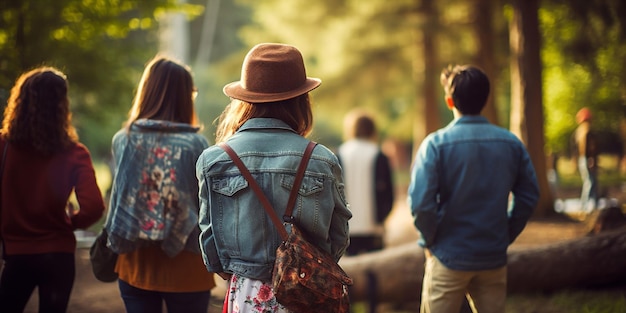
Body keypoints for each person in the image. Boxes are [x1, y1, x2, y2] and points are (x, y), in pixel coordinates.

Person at [196, 43, 352, 313]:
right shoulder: (321, 159)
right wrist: (311, 265)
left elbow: (208, 233)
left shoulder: (215, 159)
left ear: (245, 101)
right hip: (307, 290)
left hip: (247, 293)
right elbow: (338, 232)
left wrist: (231, 269)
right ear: (301, 100)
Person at [407, 65, 539, 313]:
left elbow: (420, 204)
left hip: (448, 257)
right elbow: (529, 196)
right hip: (493, 258)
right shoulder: (511, 143)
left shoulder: (435, 145)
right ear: (486, 99)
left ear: (449, 101)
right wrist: (505, 234)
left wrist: (430, 240)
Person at [105, 56, 215, 313]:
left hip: (136, 264)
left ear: (147, 91)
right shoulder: (197, 145)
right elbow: (207, 207)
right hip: (187, 267)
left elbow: (119, 198)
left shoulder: (124, 139)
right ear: (185, 96)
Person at [0, 67, 106, 312]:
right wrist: (70, 223)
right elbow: (94, 207)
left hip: (16, 253)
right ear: (62, 105)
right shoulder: (75, 152)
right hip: (58, 254)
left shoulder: (3, 146)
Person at [337, 110, 394, 255]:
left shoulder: (339, 154)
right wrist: (382, 218)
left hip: (346, 227)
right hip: (374, 227)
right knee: (374, 273)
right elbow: (389, 194)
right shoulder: (379, 155)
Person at [574, 107, 598, 212]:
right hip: (587, 159)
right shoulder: (586, 131)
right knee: (590, 182)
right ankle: (583, 206)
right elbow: (587, 147)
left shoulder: (578, 132)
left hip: (583, 159)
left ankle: (594, 205)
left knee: (592, 182)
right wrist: (591, 159)